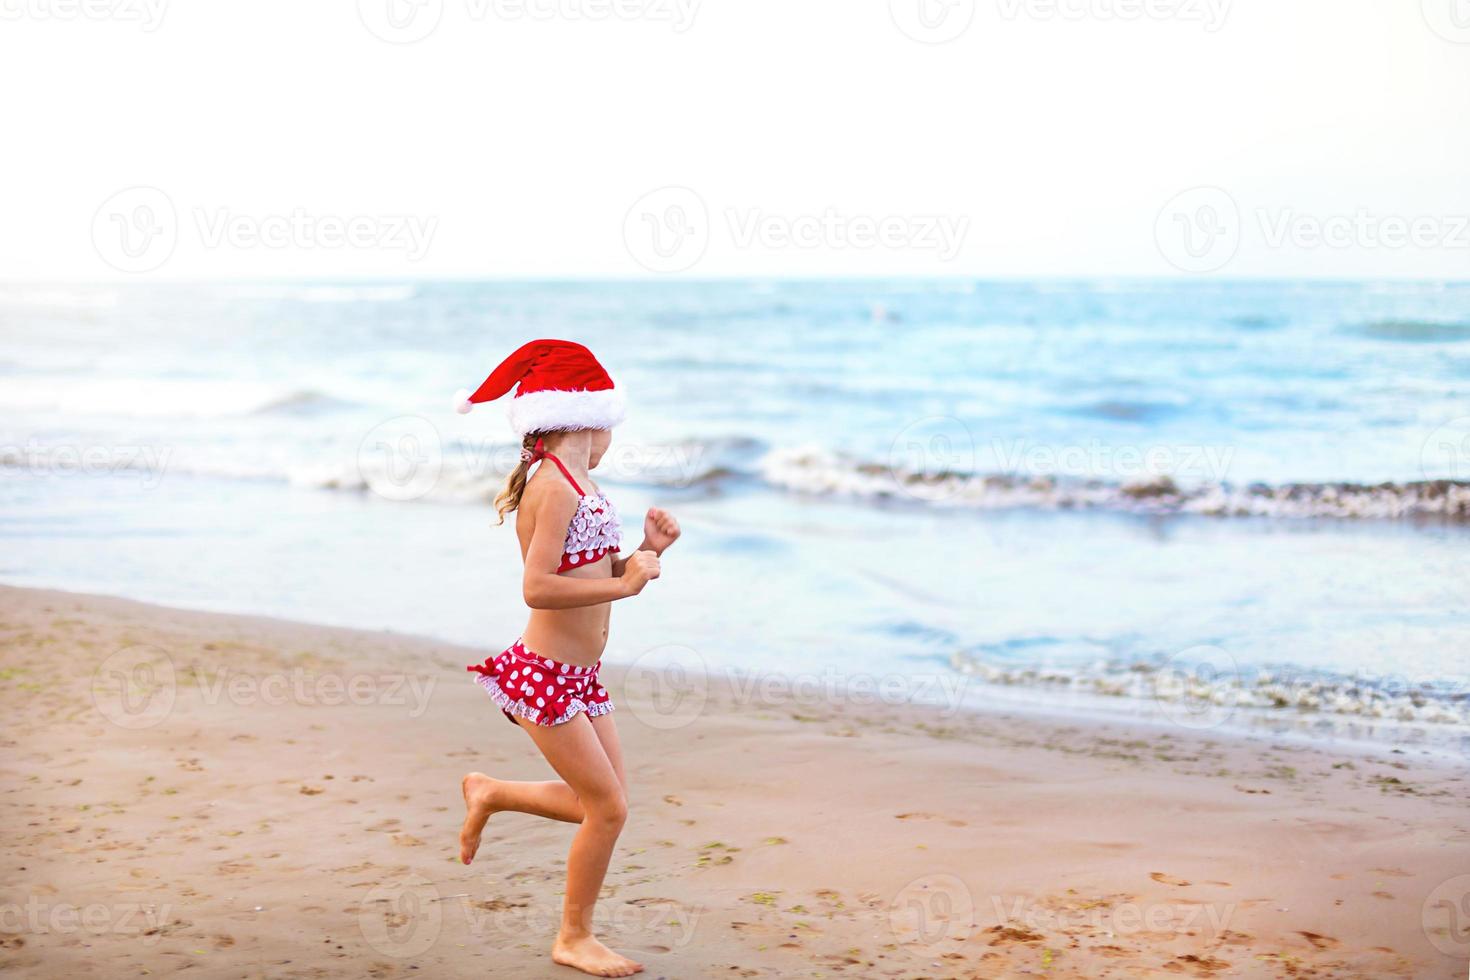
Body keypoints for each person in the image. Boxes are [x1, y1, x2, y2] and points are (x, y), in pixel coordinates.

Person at [453, 339, 679, 978]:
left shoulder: (586, 482)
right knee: (606, 808)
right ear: (585, 415)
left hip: (581, 676)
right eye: (611, 422)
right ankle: (573, 937)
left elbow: (590, 571)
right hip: (544, 677)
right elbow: (537, 586)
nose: (613, 435)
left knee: (605, 803)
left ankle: (491, 792)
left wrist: (642, 551)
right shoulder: (552, 487)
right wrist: (625, 584)